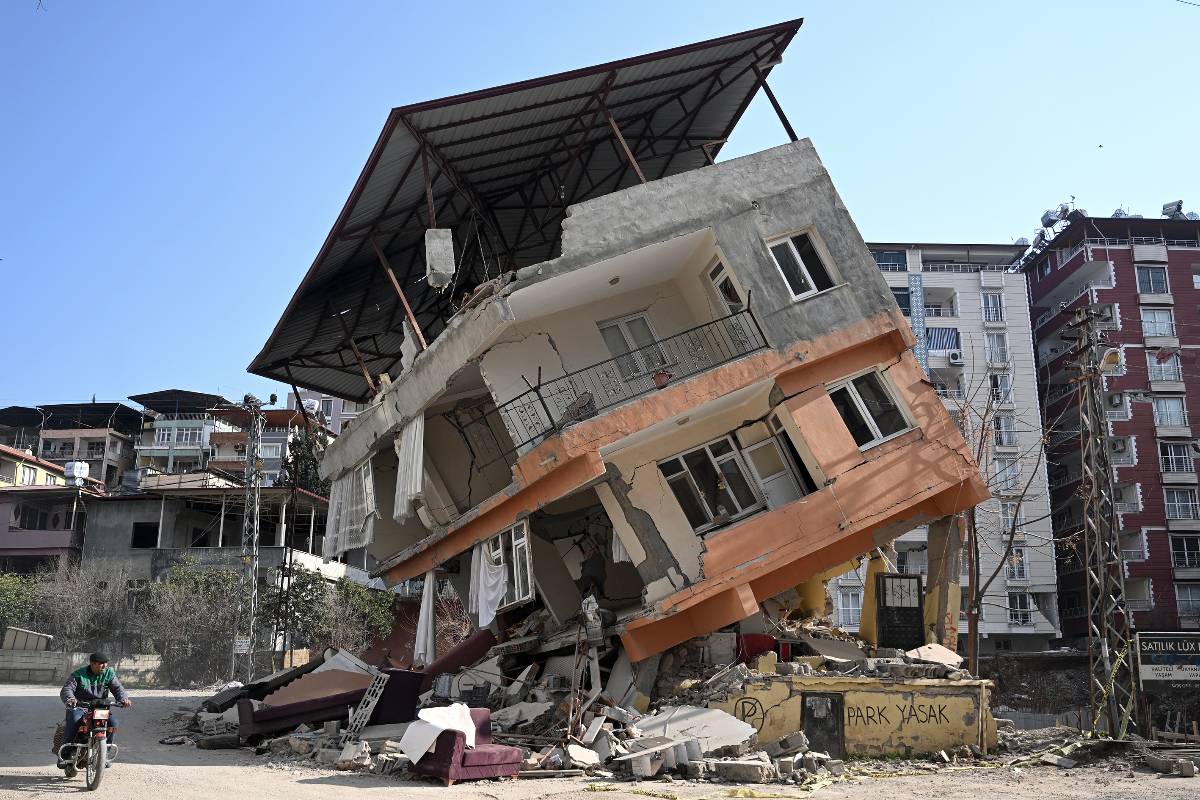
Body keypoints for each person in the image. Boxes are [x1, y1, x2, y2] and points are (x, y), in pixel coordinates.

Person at [57, 652, 131, 768]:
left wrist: (123, 699)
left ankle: (105, 753)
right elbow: (67, 689)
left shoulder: (108, 674)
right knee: (75, 719)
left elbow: (117, 688)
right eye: (101, 664)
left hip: (100, 708)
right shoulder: (79, 674)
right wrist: (70, 699)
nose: (104, 666)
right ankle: (65, 753)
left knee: (113, 722)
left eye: (105, 664)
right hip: (81, 707)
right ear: (92, 664)